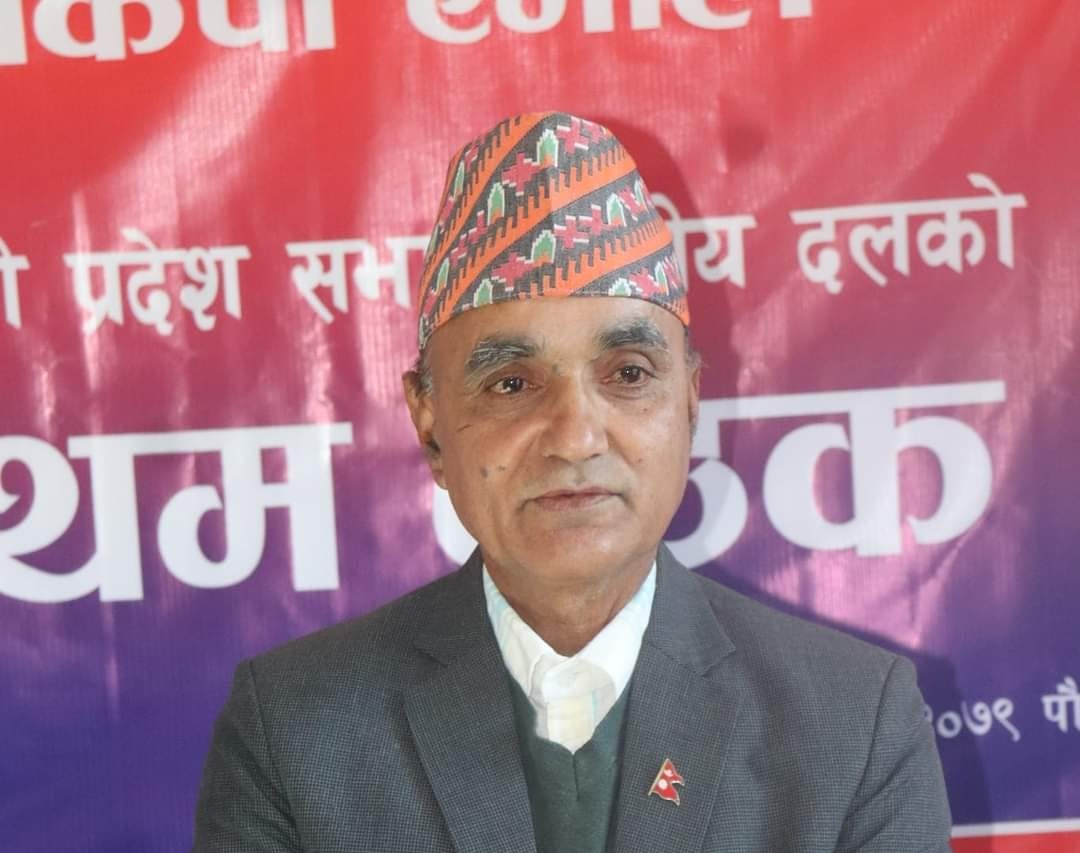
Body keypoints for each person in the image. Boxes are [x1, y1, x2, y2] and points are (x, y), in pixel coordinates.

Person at [193, 111, 952, 852]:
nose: (576, 437)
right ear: (430, 425)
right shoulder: (296, 733)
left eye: (628, 374)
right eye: (511, 384)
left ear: (689, 403)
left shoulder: (852, 727)